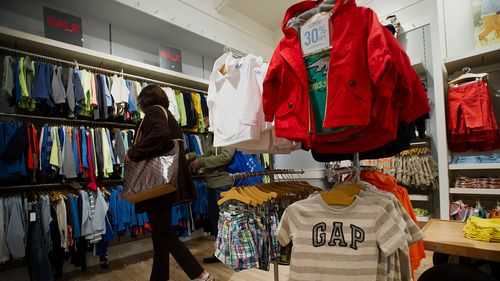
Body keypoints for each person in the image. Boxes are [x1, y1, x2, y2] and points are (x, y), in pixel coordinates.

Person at [126, 85, 214, 281]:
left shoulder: (154, 112)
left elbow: (160, 135)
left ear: (145, 100)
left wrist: (134, 152)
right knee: (160, 235)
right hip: (166, 181)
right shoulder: (167, 113)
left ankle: (199, 274)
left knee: (164, 233)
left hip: (156, 183)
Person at [189, 146, 235, 264]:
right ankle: (220, 253)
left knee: (224, 222)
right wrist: (195, 159)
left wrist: (201, 161)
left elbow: (226, 157)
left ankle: (228, 254)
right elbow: (208, 154)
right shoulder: (215, 136)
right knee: (216, 221)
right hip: (212, 184)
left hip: (222, 184)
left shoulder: (227, 133)